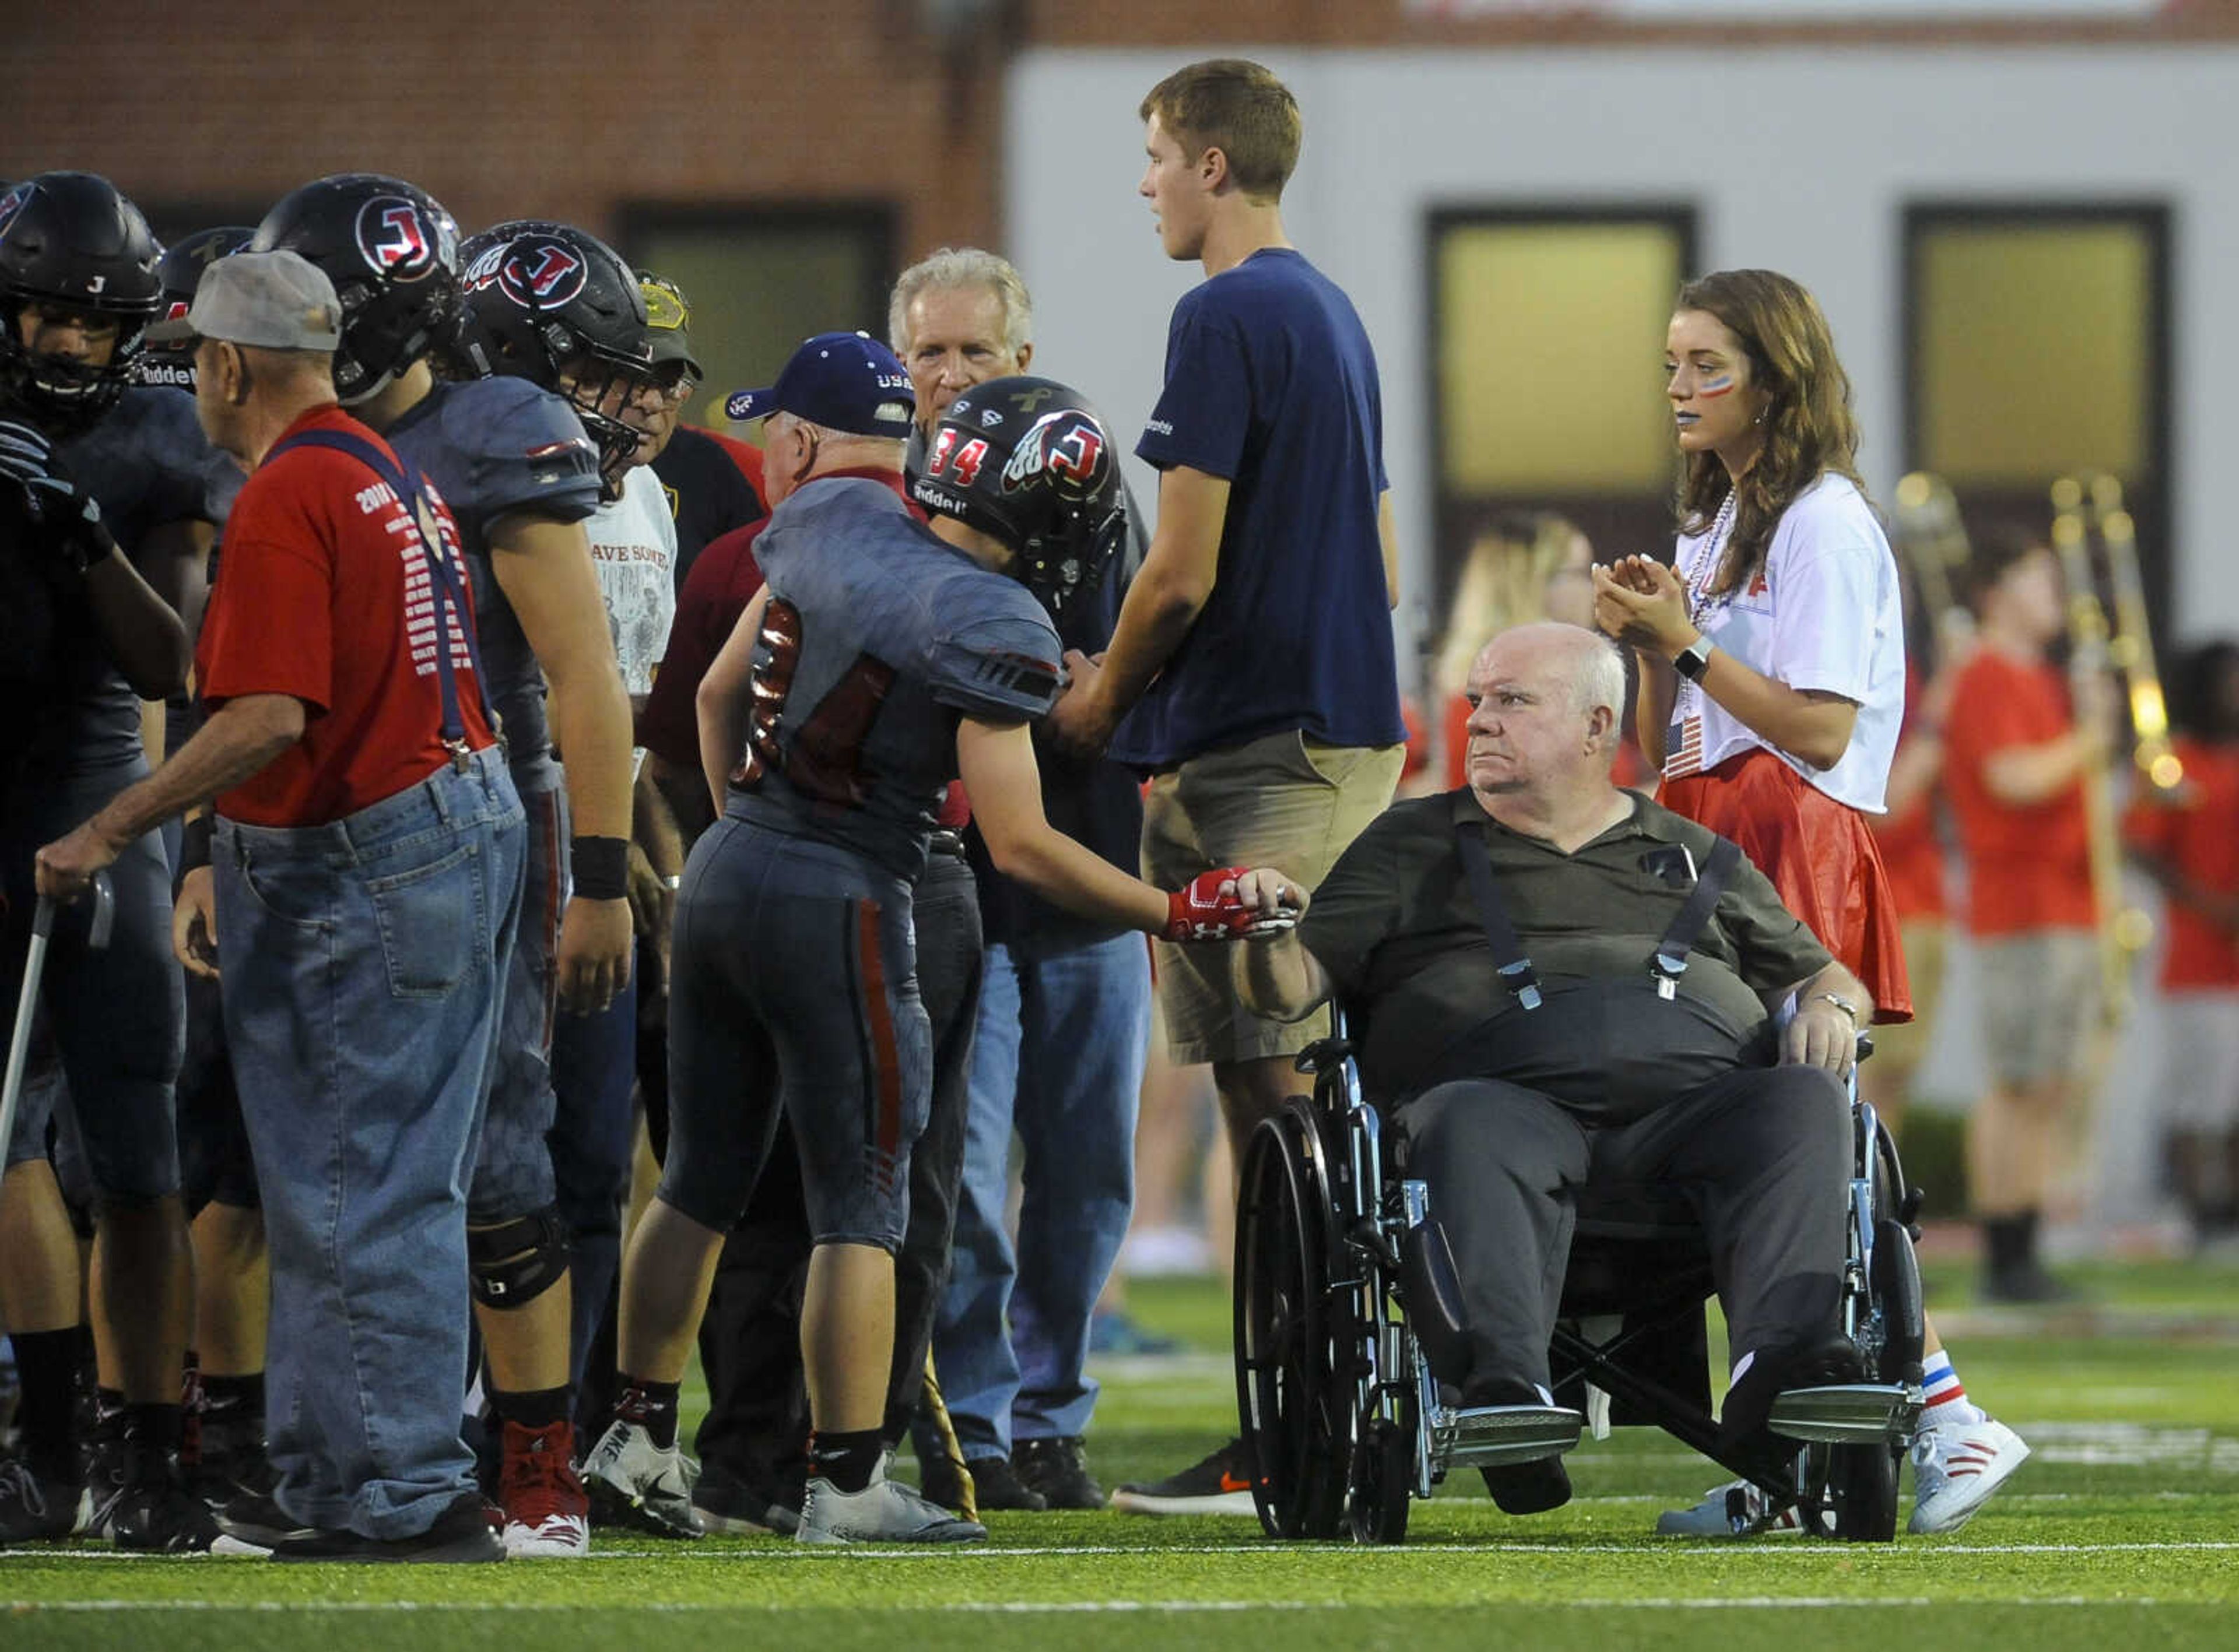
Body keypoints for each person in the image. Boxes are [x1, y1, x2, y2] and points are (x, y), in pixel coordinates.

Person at [582, 334, 1278, 1546]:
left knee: (701, 1176)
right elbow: (1019, 845)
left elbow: (710, 697)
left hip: (732, 866)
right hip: (847, 890)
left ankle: (634, 1435)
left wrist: (751, 824)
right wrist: (1178, 910)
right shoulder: (990, 614)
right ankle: (846, 1484)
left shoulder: (824, 517)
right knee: (864, 1200)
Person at [39, 249, 525, 1562]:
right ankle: (341, 1480)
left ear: (229, 363)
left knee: (356, 1183)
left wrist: (112, 826)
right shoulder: (379, 468)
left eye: (195, 355)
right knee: (367, 1179)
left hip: (370, 851)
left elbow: (263, 710)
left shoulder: (285, 493)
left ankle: (401, 1491)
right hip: (448, 815)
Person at [1227, 622, 1869, 1516]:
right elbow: (1288, 989)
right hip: (1499, 1106)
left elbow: (1824, 973)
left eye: (1512, 701)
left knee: (1806, 1100)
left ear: (1596, 726)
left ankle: (1790, 1360)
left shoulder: (1690, 852)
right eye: (1478, 700)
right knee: (1464, 1118)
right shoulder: (1409, 843)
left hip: (1694, 1121)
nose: (1479, 720)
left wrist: (1834, 1007)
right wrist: (1262, 932)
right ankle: (1504, 1390)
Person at [1594, 267, 2024, 1538]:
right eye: (1672, 363)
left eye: (1707, 366)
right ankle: (1792, 1457)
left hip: (1791, 831)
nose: (1680, 387)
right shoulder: (1719, 517)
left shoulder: (1826, 521)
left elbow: (1825, 732)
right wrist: (1644, 635)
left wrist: (1683, 641)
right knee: (1755, 1158)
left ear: (1774, 378)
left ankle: (1947, 1412)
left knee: (1801, 1146)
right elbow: (1691, 727)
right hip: (1720, 827)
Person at [1041, 57, 1408, 1517]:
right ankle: (1306, 1417)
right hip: (1307, 730)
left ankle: (1305, 1428)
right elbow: (1377, 562)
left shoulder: (1225, 311)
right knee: (1279, 1095)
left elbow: (1178, 569)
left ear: (1204, 160)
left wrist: (1098, 697)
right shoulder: (1330, 309)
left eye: (1150, 157)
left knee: (1280, 1098)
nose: (1140, 185)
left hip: (1268, 744)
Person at [259, 187, 640, 1557]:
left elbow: (587, 677)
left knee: (495, 1149)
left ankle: (535, 1461)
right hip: (325, 825)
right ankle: (331, 1450)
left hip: (481, 812)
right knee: (335, 1163)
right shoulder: (319, 436)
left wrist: (599, 871)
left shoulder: (491, 429)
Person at [877, 250, 1156, 1513]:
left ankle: (1054, 1413)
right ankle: (974, 1421)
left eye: (975, 351)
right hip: (952, 882)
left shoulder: (1090, 482)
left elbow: (1131, 666)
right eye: (930, 351)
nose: (950, 375)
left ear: (1022, 351)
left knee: (1090, 1174)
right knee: (969, 1181)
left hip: (1089, 861)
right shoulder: (889, 499)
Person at [0, 171, 226, 1552]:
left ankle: (153, 1447)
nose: (67, 344)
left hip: (96, 782)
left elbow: (175, 658)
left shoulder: (158, 436)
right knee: (2, 1141)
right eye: (40, 317)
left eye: (93, 323)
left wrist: (74, 529)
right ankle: (40, 1440)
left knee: (137, 1148)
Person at [1943, 530, 2106, 1299]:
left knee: (2050, 1082)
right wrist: (2090, 740)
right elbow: (2011, 777)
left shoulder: (2040, 677)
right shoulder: (1987, 677)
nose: (2058, 596)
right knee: (2018, 1078)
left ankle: (2027, 1241)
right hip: (2022, 906)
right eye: (2041, 580)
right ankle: (2004, 1246)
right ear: (1999, 590)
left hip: (2066, 902)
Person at [2124, 640, 2239, 1244]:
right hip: (2201, 949)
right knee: (2203, 1088)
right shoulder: (2176, 760)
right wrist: (2202, 900)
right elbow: (2141, 842)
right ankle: (2201, 1206)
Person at [636, 270, 765, 589]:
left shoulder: (715, 470)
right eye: (633, 378)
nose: (651, 403)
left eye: (668, 385)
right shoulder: (545, 469)